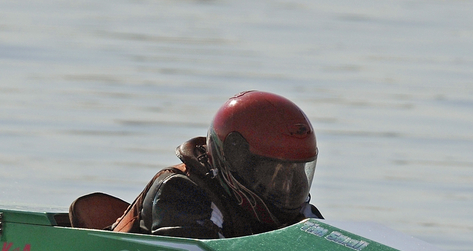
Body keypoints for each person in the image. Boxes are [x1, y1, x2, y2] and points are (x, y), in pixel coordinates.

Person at [108, 91, 322, 239]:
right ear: (236, 157)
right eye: (272, 173)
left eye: (294, 173)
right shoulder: (180, 194)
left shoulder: (301, 213)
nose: (288, 186)